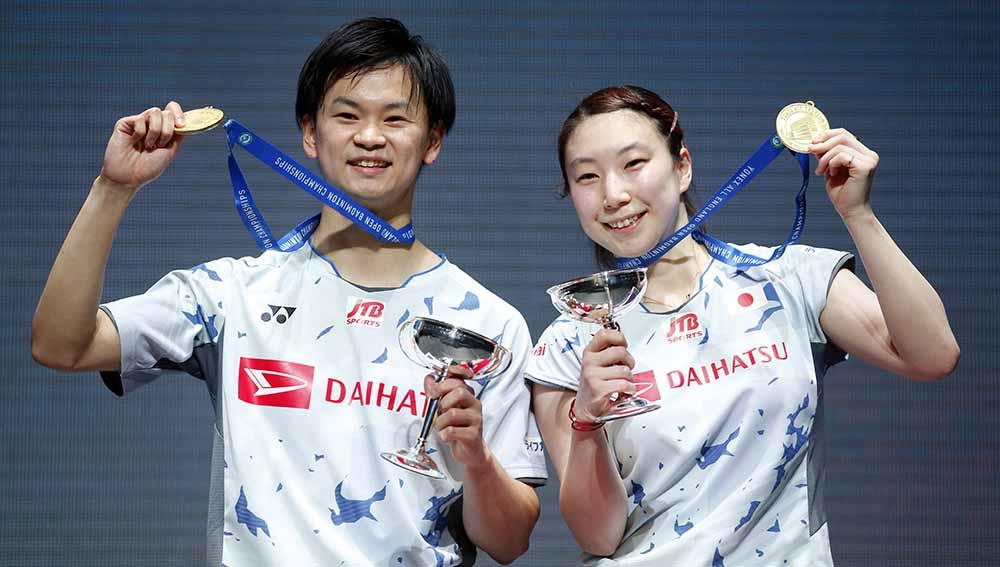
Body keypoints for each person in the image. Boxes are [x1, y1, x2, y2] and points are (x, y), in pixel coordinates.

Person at [31, 17, 545, 567]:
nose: (369, 136)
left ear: (432, 141)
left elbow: (509, 543)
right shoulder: (234, 294)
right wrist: (114, 187)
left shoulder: (488, 326)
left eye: (395, 119)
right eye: (347, 115)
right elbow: (62, 345)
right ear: (309, 133)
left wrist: (476, 460)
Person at [526, 85, 959, 566]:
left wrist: (858, 214)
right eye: (587, 177)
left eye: (633, 164)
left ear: (682, 165)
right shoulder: (568, 344)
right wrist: (585, 421)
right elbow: (599, 537)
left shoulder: (786, 277)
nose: (614, 194)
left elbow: (934, 356)